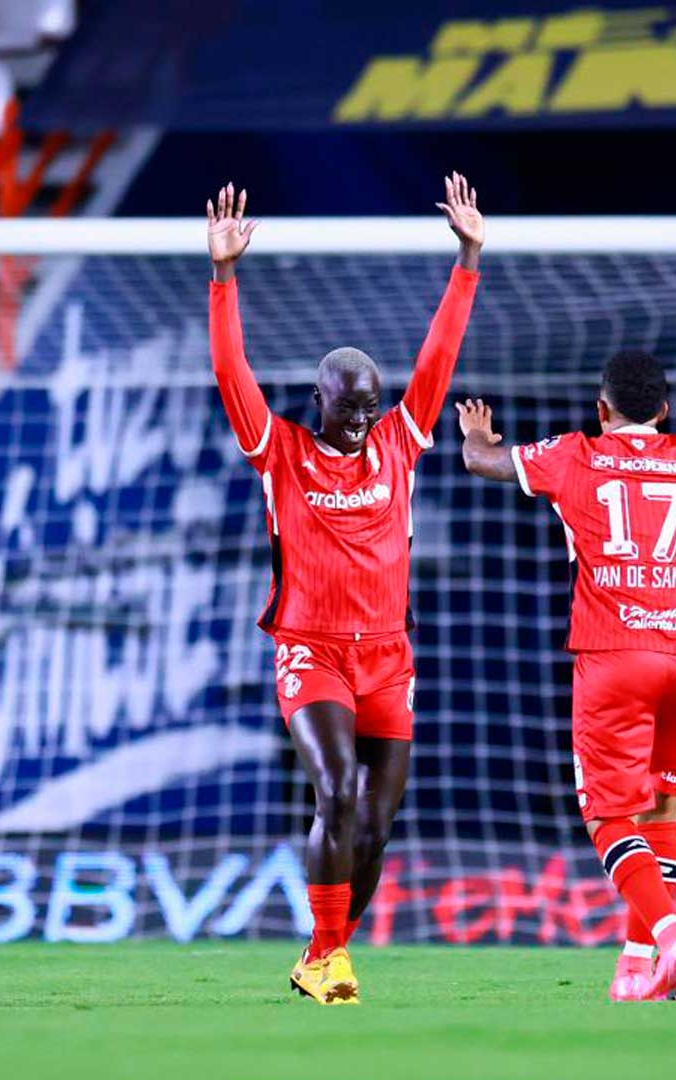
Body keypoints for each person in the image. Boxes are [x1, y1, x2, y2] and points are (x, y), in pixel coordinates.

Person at [206, 175, 481, 1004]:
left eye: (371, 406)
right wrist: (223, 279)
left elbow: (439, 357)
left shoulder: (401, 441)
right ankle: (332, 959)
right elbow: (231, 369)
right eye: (349, 406)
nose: (362, 419)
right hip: (311, 651)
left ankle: (321, 953)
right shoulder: (278, 448)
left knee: (375, 821)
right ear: (318, 399)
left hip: (388, 657)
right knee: (335, 791)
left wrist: (468, 258)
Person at [456, 355, 676, 1003]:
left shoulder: (576, 454)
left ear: (602, 411)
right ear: (663, 412)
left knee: (606, 815)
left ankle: (669, 937)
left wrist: (475, 439)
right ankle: (637, 969)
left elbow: (484, 464)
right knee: (661, 807)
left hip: (615, 654)